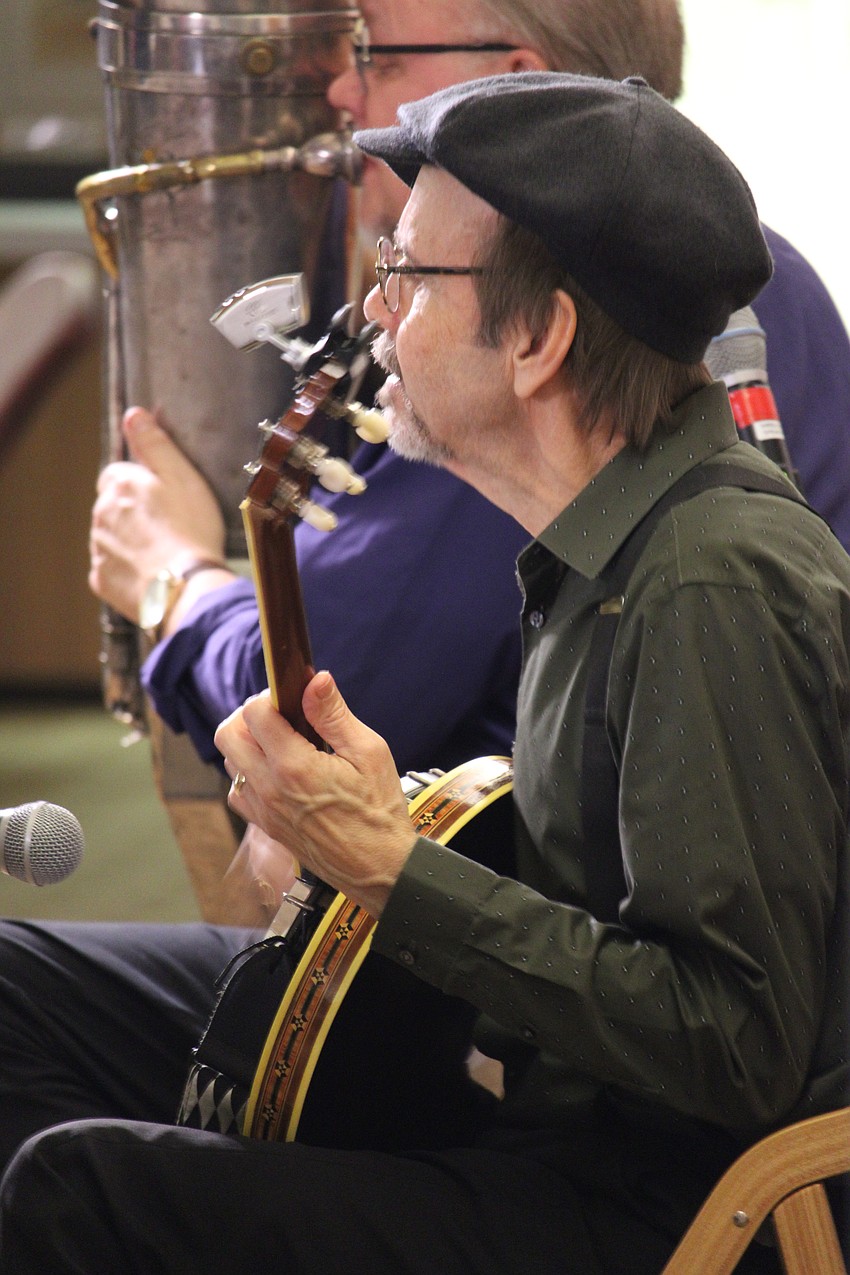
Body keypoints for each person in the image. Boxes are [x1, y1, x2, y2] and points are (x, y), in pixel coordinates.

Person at [2, 72, 848, 1273]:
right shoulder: (612, 537)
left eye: (405, 273)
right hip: (544, 1096)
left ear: (541, 338)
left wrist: (388, 868)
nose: (374, 311)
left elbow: (731, 1047)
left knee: (86, 1187)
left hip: (660, 1204)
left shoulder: (708, 580)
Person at [90, 0, 850, 804]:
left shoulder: (513, 333)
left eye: (375, 55)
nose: (342, 92)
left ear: (516, 79)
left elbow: (325, 709)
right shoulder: (766, 270)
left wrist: (172, 576)